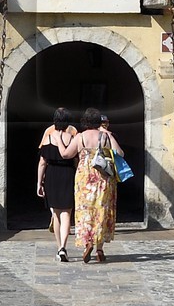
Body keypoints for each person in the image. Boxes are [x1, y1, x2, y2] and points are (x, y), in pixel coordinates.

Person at [73, 105, 118, 264]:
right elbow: (120, 153)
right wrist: (109, 136)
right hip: (102, 178)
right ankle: (99, 248)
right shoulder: (104, 136)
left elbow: (67, 154)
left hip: (84, 178)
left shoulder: (80, 137)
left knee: (85, 211)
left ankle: (88, 243)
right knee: (101, 211)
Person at [36, 110, 80, 259]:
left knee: (56, 214)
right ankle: (63, 247)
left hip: (52, 176)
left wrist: (39, 183)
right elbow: (76, 160)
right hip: (68, 174)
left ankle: (58, 246)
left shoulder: (48, 138)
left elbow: (42, 163)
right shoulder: (72, 138)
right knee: (67, 213)